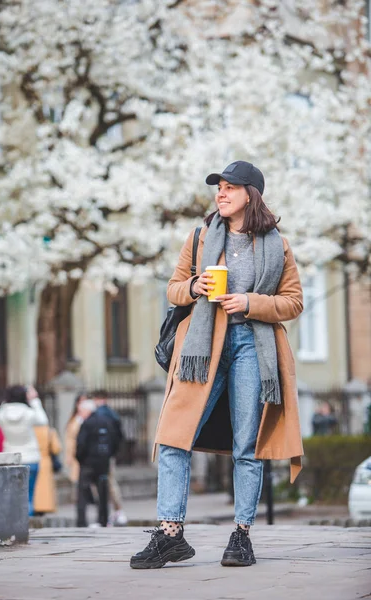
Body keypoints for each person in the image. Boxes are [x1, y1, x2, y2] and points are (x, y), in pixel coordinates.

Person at [130, 160, 304, 569]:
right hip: (202, 347)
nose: (220, 194)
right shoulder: (200, 236)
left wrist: (251, 303)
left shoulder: (277, 245)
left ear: (251, 194)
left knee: (248, 446)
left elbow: (294, 301)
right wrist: (194, 286)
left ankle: (241, 535)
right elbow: (173, 289)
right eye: (219, 187)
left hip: (251, 345)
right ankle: (170, 534)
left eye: (230, 187)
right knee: (173, 437)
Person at [65, 393, 127, 525]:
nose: (80, 413)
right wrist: (110, 454)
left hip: (87, 462)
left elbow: (81, 444)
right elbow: (115, 440)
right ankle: (103, 519)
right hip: (103, 461)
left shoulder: (86, 423)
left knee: (82, 491)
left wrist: (79, 458)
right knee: (102, 490)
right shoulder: (106, 421)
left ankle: (81, 521)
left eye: (82, 411)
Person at [0, 385, 49, 516]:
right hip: (31, 457)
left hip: (11, 457)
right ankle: (27, 524)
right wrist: (35, 400)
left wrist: (6, 402)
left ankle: (15, 525)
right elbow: (43, 421)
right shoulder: (30, 413)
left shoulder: (2, 414)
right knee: (28, 495)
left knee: (13, 496)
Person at [33, 425, 62, 515]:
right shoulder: (49, 431)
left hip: (33, 459)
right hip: (45, 461)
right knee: (44, 488)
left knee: (34, 487)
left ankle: (33, 507)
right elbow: (56, 448)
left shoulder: (30, 430)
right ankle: (43, 508)